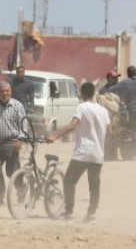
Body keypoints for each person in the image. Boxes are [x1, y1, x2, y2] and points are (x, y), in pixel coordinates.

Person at [47, 81, 110, 222]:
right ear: (94, 93)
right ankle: (91, 214)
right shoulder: (103, 110)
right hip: (97, 154)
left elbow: (72, 125)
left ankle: (68, 213)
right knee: (94, 185)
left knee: (69, 181)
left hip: (83, 152)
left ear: (81, 94)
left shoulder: (82, 107)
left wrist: (55, 136)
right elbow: (110, 132)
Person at [0, 82, 27, 205]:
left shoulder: (17, 106)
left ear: (10, 92)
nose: (5, 93)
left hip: (12, 143)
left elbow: (23, 125)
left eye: (7, 91)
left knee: (12, 171)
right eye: (2, 91)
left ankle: (21, 190)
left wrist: (20, 140)